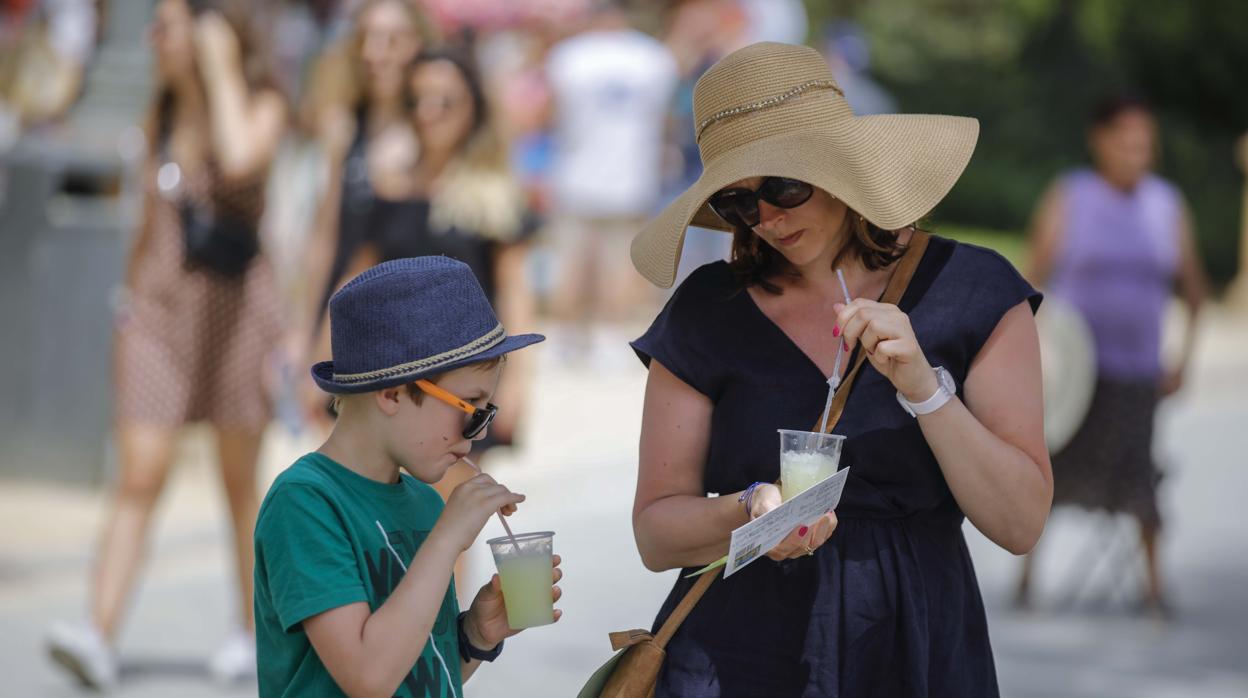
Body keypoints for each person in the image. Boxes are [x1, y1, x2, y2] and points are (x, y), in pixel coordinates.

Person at [628, 42, 1052, 696]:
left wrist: (925, 391)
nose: (766, 218)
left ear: (839, 169)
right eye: (739, 203)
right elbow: (655, 534)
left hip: (912, 648)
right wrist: (751, 510)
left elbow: (1021, 523)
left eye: (784, 187)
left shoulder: (972, 291)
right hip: (734, 655)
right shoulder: (710, 309)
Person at [45, 0, 287, 689]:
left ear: (211, 33)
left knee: (240, 485)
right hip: (159, 316)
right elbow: (148, 221)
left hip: (238, 314)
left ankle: (252, 631)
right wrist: (126, 302)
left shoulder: (259, 103)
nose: (154, 37)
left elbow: (241, 158)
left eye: (169, 25)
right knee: (140, 472)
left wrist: (216, 63)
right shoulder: (160, 113)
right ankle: (98, 631)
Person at [253, 256, 560, 697]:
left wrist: (475, 635)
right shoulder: (305, 503)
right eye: (471, 408)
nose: (482, 430)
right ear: (393, 392)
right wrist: (446, 540)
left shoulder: (424, 501)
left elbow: (418, 672)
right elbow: (367, 677)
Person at [349, 48, 540, 597]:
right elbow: (357, 281)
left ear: (472, 108)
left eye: (445, 100)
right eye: (417, 100)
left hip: (457, 388)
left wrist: (520, 382)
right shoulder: (386, 186)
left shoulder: (493, 192)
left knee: (447, 514)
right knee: (373, 507)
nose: (429, 111)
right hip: (385, 381)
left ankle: (441, 645)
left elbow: (514, 291)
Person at [1015, 95, 1208, 616]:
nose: (1136, 150)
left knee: (1141, 480)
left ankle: (1153, 587)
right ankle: (1026, 578)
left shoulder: (1166, 204)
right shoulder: (1071, 196)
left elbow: (1193, 290)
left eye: (1144, 140)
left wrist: (1184, 360)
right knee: (1051, 472)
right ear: (1099, 140)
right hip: (1076, 373)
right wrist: (1030, 357)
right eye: (1125, 139)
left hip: (1138, 371)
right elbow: (1031, 283)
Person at [297, 0, 433, 430]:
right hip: (348, 318)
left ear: (420, 45)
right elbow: (326, 236)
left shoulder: (436, 128)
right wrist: (304, 333)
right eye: (367, 40)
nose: (377, 53)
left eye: (392, 40)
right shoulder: (345, 127)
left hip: (416, 323)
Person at [545, 0, 678, 357]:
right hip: (631, 174)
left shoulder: (568, 55)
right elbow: (663, 118)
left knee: (572, 260)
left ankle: (566, 337)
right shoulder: (653, 57)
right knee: (619, 262)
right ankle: (608, 336)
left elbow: (551, 115)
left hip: (576, 172)